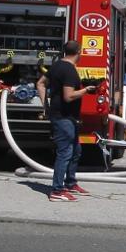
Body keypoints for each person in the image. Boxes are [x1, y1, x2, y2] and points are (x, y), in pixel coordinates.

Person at [39, 40, 95, 202]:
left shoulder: (56, 65)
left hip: (67, 117)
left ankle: (70, 183)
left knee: (76, 151)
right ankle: (57, 190)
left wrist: (45, 105)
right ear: (79, 51)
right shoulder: (69, 70)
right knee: (65, 153)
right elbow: (68, 96)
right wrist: (86, 90)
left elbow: (40, 84)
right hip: (63, 118)